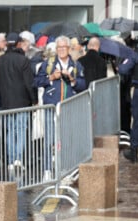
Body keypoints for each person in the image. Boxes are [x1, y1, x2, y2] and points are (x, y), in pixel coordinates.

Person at [34, 35, 85, 179]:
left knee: (67, 139)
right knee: (49, 139)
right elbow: (37, 81)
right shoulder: (48, 64)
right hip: (51, 106)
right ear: (56, 49)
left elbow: (83, 84)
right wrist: (51, 78)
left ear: (69, 49)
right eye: (59, 47)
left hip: (68, 108)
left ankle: (65, 169)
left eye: (64, 47)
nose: (61, 50)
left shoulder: (76, 65)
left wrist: (73, 80)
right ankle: (47, 171)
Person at [0, 32, 37, 173]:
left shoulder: (0, 61)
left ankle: (11, 160)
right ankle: (18, 159)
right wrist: (34, 100)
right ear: (19, 43)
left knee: (10, 131)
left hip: (6, 101)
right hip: (22, 101)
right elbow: (29, 83)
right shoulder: (23, 60)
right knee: (20, 131)